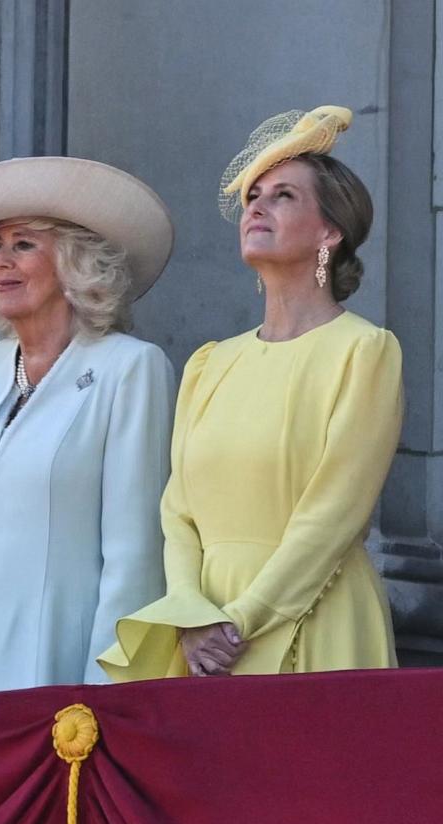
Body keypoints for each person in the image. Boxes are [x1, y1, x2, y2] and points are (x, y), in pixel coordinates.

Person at [100, 106, 403, 679]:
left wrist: (241, 619)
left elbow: (333, 514)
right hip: (204, 635)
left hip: (312, 616)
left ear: (330, 232)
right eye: (253, 196)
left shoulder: (364, 351)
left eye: (284, 195)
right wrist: (190, 614)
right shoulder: (209, 364)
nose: (256, 207)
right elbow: (178, 511)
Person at [0, 157, 176, 694]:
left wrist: (103, 698)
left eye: (23, 244)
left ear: (76, 262)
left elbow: (134, 560)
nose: (1, 260)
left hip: (58, 673)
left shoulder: (129, 369)